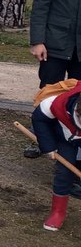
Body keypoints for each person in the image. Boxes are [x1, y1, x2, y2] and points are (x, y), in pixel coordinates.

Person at [30, 79, 81, 232]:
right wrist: (48, 147)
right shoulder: (58, 104)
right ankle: (57, 213)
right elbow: (39, 119)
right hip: (67, 139)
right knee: (64, 172)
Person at [30, 0, 81, 87]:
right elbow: (40, 6)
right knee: (49, 94)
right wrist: (37, 41)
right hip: (55, 44)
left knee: (77, 99)